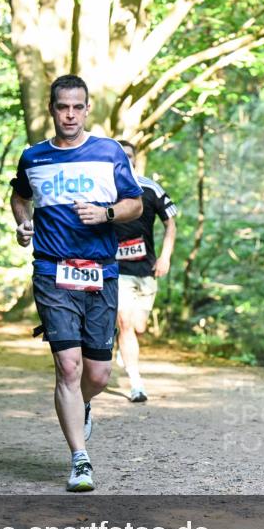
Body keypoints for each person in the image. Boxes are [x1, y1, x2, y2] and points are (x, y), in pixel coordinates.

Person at [9, 74, 142, 492]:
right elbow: (19, 196)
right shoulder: (33, 157)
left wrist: (105, 215)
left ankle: (83, 403)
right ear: (51, 109)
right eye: (62, 106)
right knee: (68, 366)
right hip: (52, 270)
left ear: (87, 110)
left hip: (101, 270)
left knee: (98, 374)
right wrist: (23, 223)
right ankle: (80, 459)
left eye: (77, 107)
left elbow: (135, 204)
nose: (69, 114)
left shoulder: (108, 153)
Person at [114, 140, 178, 403]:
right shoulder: (105, 190)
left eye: (129, 156)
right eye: (120, 157)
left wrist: (165, 257)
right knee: (126, 323)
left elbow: (170, 225)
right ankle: (136, 383)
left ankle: (123, 344)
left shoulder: (150, 188)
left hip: (146, 269)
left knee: (138, 327)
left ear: (135, 160)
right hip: (117, 270)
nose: (125, 160)